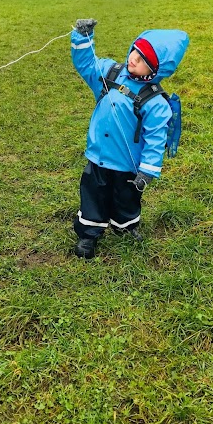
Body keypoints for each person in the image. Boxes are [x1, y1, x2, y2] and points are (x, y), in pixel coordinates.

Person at [70, 19, 189, 259]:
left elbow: (156, 139)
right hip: (98, 157)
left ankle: (125, 225)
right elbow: (86, 65)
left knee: (126, 199)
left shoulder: (156, 104)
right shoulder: (110, 72)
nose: (134, 58)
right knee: (93, 196)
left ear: (156, 71)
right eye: (136, 50)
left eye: (144, 60)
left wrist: (147, 171)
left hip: (128, 166)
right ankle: (88, 235)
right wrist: (83, 38)